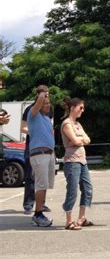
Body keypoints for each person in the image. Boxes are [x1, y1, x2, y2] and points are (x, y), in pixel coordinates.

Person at [60, 97, 93, 229]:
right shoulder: (66, 123)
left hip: (82, 161)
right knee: (72, 191)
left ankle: (81, 218)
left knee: (87, 189)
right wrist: (79, 139)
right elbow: (77, 141)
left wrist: (78, 139)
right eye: (81, 107)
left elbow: (87, 139)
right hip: (72, 161)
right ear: (72, 108)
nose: (82, 110)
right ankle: (69, 221)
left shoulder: (78, 125)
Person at [21, 85, 53, 215]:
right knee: (30, 177)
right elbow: (23, 128)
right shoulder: (31, 110)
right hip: (34, 147)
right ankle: (29, 204)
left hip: (46, 150)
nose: (47, 97)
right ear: (39, 95)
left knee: (43, 180)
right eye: (45, 95)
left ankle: (41, 204)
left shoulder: (48, 111)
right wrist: (36, 132)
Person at [27, 87, 56, 227]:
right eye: (45, 102)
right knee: (41, 185)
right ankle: (37, 215)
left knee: (44, 185)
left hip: (48, 155)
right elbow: (38, 103)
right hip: (39, 155)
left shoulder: (46, 118)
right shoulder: (34, 114)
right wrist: (44, 92)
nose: (48, 104)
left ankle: (40, 210)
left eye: (49, 102)